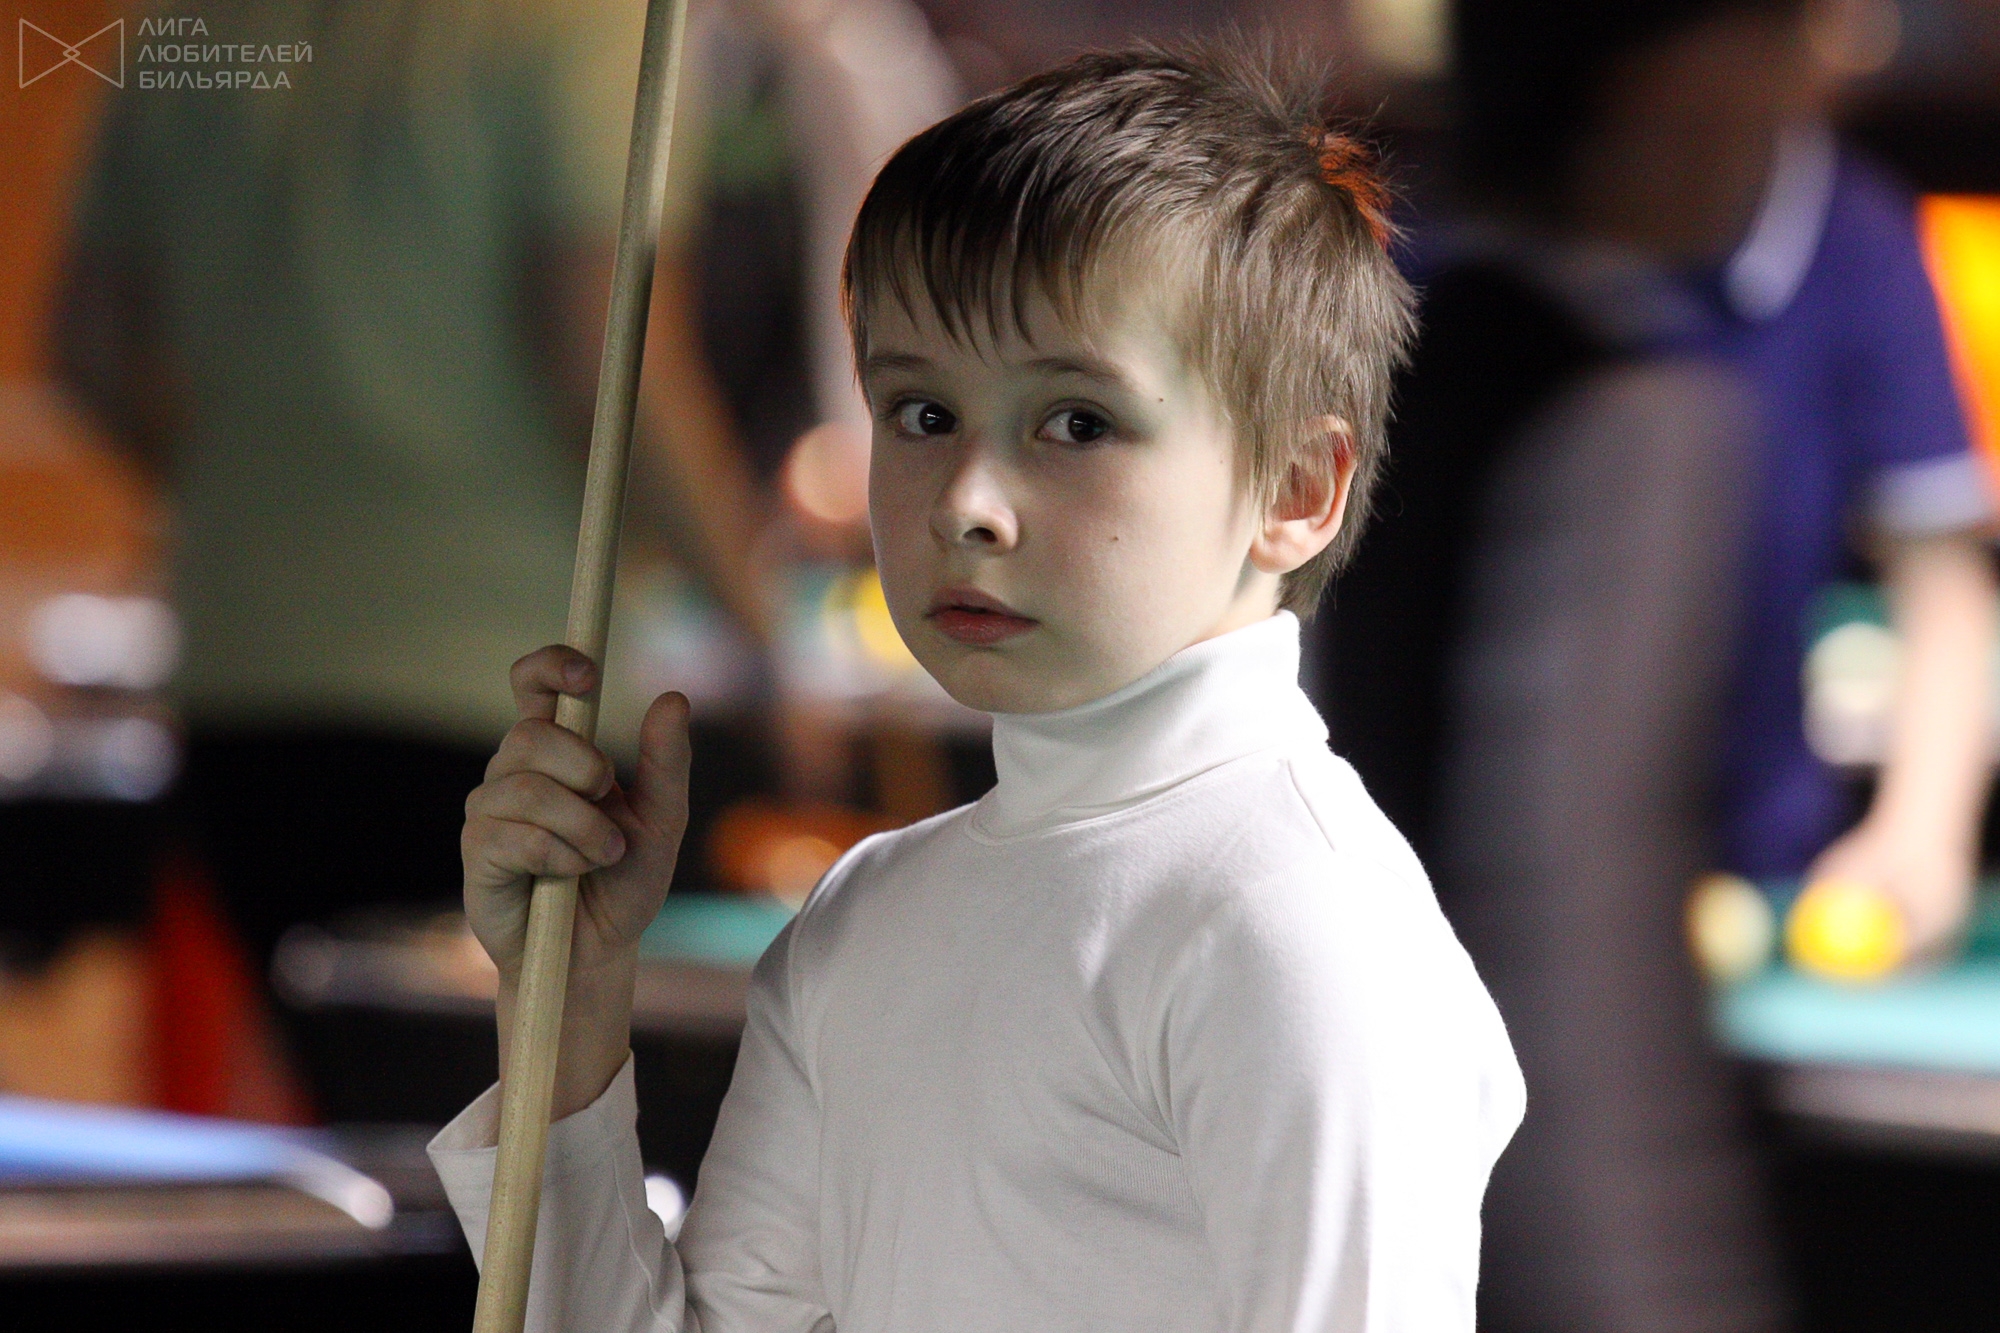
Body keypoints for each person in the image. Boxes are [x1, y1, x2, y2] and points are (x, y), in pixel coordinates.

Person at [434, 43, 1525, 1330]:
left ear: (1294, 489)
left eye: (1075, 422)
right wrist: (569, 1006)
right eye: (920, 413)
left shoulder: (1295, 926)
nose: (966, 502)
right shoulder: (861, 921)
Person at [1320, 1, 1994, 1328]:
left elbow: (1942, 574)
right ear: (1666, 77)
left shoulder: (1838, 240)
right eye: (1783, 37)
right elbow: (1568, 941)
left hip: (1439, 1087)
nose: (1816, 73)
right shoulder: (1623, 416)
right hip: (1541, 1148)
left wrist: (1918, 835)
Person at [53, 0, 769, 978]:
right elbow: (607, 361)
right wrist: (760, 624)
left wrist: (255, 491)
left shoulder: (193, 17)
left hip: (242, 691)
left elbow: (87, 348)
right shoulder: (592, 14)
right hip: (504, 697)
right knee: (515, 1066)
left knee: (350, 1058)